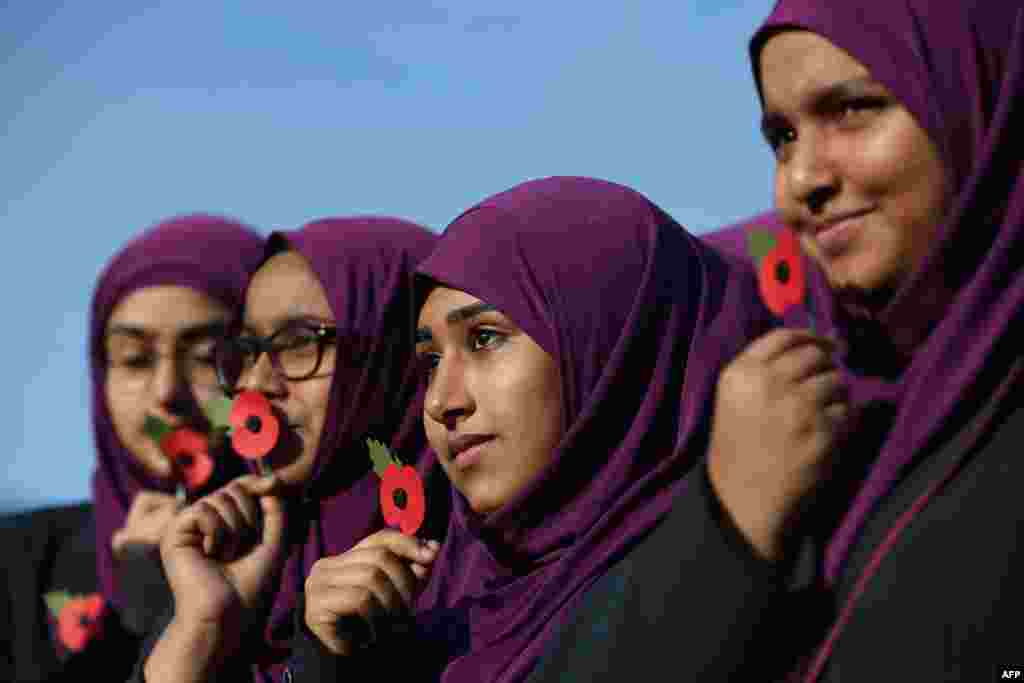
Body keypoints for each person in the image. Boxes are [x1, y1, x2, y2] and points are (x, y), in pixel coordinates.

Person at [533, 1, 1024, 680]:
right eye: (782, 136)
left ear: (979, 93)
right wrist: (724, 524)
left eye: (853, 109)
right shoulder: (815, 417)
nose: (802, 180)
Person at [289, 176, 775, 682]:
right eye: (430, 361)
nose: (440, 402)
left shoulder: (723, 581)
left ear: (610, 345)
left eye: (485, 339)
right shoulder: (446, 611)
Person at [136, 216, 441, 682]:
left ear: (391, 351)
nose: (253, 385)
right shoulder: (236, 557)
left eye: (299, 343)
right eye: (248, 350)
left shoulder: (473, 576)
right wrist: (200, 630)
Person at [0, 215, 263, 682]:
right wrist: (143, 607)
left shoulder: (318, 562)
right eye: (135, 360)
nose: (166, 392)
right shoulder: (18, 563)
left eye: (206, 358)